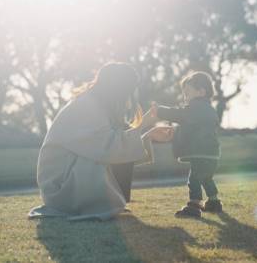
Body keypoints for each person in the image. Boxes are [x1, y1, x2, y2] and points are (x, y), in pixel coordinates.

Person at [28, 62, 172, 220]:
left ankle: (110, 201)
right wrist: (145, 123)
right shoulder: (87, 106)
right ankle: (99, 203)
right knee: (108, 155)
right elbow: (109, 148)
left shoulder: (99, 105)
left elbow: (114, 143)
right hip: (60, 188)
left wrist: (148, 135)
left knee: (117, 152)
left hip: (71, 176)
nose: (129, 96)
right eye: (128, 89)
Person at [154, 71, 222, 218]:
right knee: (206, 178)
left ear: (201, 92)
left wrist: (159, 110)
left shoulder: (196, 107)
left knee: (194, 179)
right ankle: (214, 202)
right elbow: (191, 124)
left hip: (200, 151)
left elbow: (179, 114)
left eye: (187, 93)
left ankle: (194, 204)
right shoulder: (208, 109)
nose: (185, 97)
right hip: (211, 153)